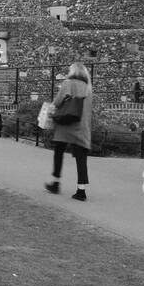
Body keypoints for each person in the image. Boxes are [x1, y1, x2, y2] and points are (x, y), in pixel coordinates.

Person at [45, 62, 92, 201]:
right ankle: (81, 190)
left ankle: (55, 182)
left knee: (58, 152)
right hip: (81, 126)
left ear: (73, 71)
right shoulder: (88, 88)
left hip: (65, 124)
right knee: (81, 158)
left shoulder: (68, 83)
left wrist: (50, 111)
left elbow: (58, 101)